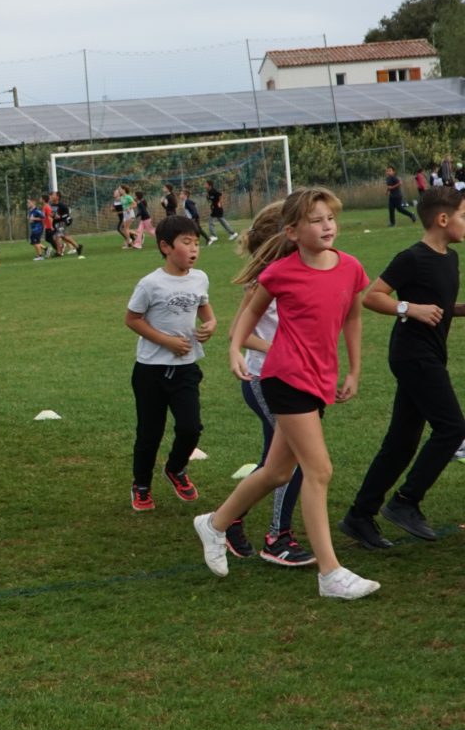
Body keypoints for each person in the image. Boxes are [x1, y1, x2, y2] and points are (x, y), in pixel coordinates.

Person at [194, 187, 379, 600]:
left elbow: (352, 318)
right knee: (319, 470)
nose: (327, 226)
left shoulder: (350, 268)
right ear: (293, 232)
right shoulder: (280, 273)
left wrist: (354, 369)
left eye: (330, 217)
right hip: (284, 378)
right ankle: (330, 573)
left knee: (277, 472)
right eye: (316, 220)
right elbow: (251, 313)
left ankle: (215, 523)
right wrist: (233, 350)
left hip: (318, 379)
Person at [339, 186, 465, 548]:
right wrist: (410, 308)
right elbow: (372, 296)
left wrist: (458, 309)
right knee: (452, 427)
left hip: (430, 353)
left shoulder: (450, 258)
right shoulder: (412, 257)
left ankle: (359, 516)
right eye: (462, 214)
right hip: (412, 355)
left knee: (402, 441)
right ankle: (405, 502)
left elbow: (438, 304)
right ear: (443, 219)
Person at [225, 202, 314, 567]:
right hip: (266, 380)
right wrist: (281, 348)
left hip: (294, 378)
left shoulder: (298, 272)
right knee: (297, 458)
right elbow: (238, 334)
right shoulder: (266, 280)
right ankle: (277, 538)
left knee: (273, 462)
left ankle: (230, 519)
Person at [125, 215, 216, 512]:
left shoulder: (199, 277)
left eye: (196, 243)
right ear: (165, 246)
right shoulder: (150, 284)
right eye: (186, 243)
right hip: (150, 370)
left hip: (187, 368)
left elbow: (205, 309)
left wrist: (211, 324)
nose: (193, 250)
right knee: (149, 433)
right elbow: (132, 320)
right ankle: (141, 485)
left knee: (191, 428)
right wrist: (166, 341)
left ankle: (175, 469)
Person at [50, 191, 83, 258]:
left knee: (58, 236)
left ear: (57, 197)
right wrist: (52, 216)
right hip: (56, 223)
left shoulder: (62, 206)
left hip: (62, 223)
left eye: (53, 195)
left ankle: (59, 253)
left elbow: (67, 215)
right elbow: (52, 214)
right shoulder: (52, 205)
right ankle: (77, 246)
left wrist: (60, 217)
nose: (51, 196)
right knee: (63, 236)